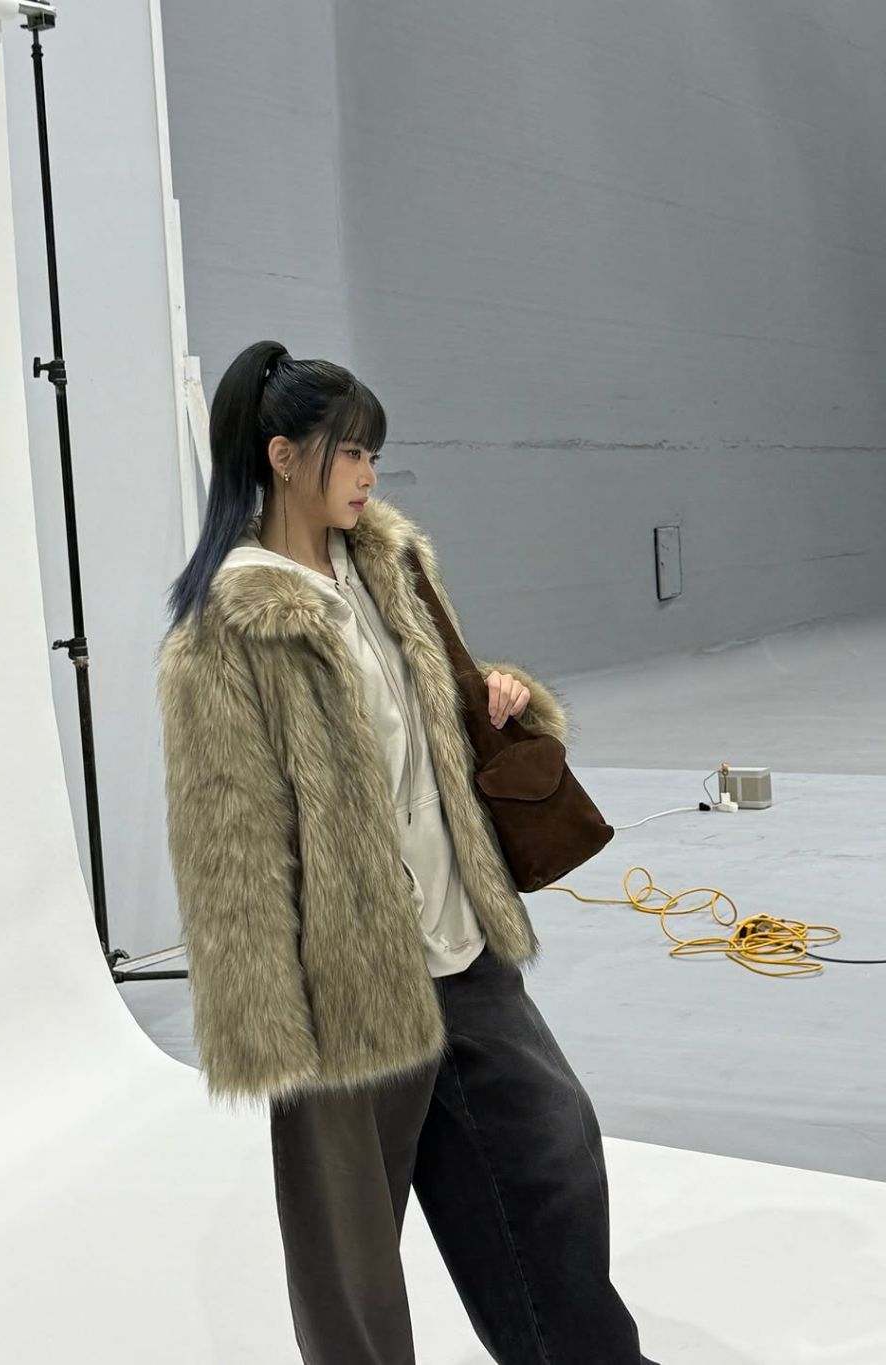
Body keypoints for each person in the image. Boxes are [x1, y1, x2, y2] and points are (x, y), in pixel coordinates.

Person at [156, 339, 661, 1365]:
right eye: (351, 452)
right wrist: (269, 1024)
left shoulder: (389, 567)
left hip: (461, 942)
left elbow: (432, 731)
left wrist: (503, 699)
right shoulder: (227, 629)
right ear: (285, 456)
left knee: (552, 1158)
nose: (370, 474)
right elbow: (227, 846)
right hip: (347, 983)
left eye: (373, 453)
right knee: (350, 1261)